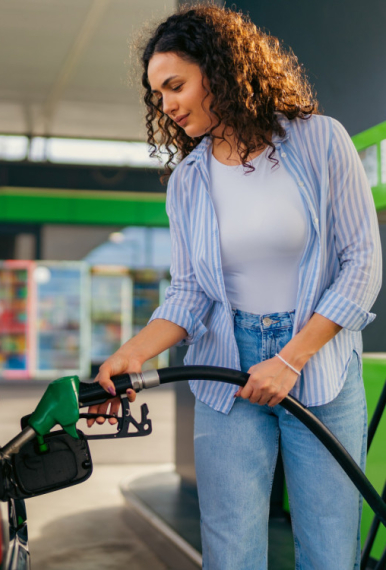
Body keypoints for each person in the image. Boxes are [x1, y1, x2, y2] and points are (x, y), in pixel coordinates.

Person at [87, 4, 382, 570]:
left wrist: (290, 360)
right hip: (225, 366)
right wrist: (131, 354)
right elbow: (190, 294)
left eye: (176, 85)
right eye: (158, 96)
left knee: (329, 548)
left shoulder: (320, 142)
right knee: (230, 551)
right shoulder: (190, 183)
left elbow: (363, 264)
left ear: (219, 71)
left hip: (318, 367)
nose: (167, 105)